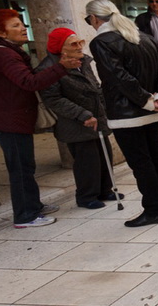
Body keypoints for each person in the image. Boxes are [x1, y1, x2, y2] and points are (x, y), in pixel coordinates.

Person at [87, 0, 158, 228]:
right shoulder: (144, 37)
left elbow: (117, 78)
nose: (91, 23)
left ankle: (154, 209)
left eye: (89, 20)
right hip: (149, 109)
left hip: (128, 114)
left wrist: (149, 101)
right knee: (157, 155)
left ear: (95, 18)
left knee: (142, 162)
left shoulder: (102, 42)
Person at [0, 10, 79, 228]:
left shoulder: (8, 52)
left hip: (14, 119)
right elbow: (28, 82)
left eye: (22, 24)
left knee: (26, 165)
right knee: (20, 168)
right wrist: (61, 68)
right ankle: (25, 215)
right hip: (8, 121)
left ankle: (33, 205)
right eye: (16, 25)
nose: (23, 28)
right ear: (1, 32)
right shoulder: (3, 54)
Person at [37, 28, 116, 210]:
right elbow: (53, 99)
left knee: (104, 155)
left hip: (96, 115)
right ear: (61, 48)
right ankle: (86, 196)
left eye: (80, 42)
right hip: (75, 121)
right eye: (74, 44)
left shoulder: (82, 61)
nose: (80, 46)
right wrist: (82, 114)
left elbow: (93, 83)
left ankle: (105, 189)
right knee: (86, 161)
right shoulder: (48, 68)